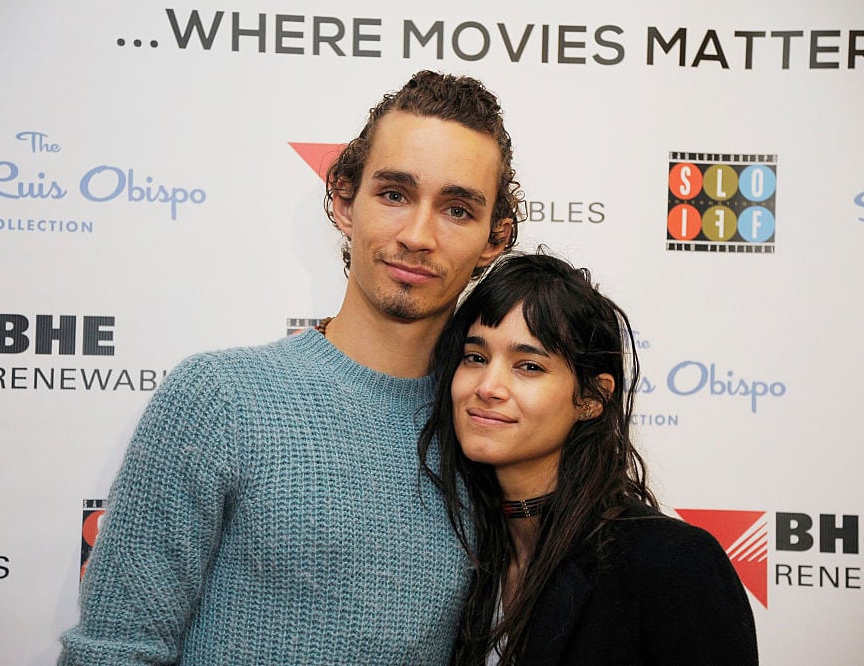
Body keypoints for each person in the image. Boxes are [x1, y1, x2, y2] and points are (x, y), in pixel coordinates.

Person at [58, 70, 522, 665]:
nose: (418, 235)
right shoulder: (219, 399)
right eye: (394, 194)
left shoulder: (487, 428)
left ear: (494, 238)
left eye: (457, 209)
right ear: (344, 201)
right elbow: (115, 649)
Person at [419, 251, 759, 666]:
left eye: (528, 366)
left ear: (592, 399)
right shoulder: (464, 555)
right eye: (476, 357)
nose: (488, 386)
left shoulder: (671, 563)